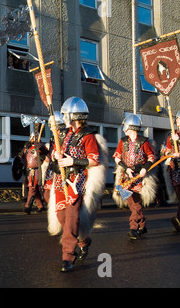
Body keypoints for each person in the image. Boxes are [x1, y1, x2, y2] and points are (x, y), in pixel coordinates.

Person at [48, 97, 108, 272]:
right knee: (61, 217)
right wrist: (56, 157)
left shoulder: (88, 136)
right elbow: (57, 155)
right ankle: (83, 241)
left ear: (73, 116)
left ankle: (67, 257)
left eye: (66, 114)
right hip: (60, 181)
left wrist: (72, 161)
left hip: (76, 182)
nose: (64, 117)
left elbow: (93, 160)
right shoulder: (64, 135)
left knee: (72, 219)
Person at [112, 114, 157, 240]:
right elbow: (117, 157)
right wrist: (126, 169)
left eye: (126, 127)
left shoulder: (144, 142)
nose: (124, 129)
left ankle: (133, 228)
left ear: (131, 127)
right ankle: (142, 225)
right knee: (132, 204)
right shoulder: (122, 141)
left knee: (136, 204)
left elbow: (151, 157)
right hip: (125, 178)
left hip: (139, 178)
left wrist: (144, 168)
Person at [18, 127, 49, 214]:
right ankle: (40, 206)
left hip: (37, 170)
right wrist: (20, 168)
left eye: (35, 137)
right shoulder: (26, 147)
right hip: (28, 170)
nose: (33, 139)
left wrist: (39, 155)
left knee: (33, 187)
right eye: (32, 137)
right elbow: (22, 158)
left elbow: (47, 158)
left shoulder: (41, 148)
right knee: (35, 189)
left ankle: (28, 206)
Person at [161, 110, 180, 231]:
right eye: (178, 120)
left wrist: (178, 140)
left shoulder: (176, 136)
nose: (179, 122)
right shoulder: (171, 135)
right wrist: (166, 153)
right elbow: (167, 150)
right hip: (176, 169)